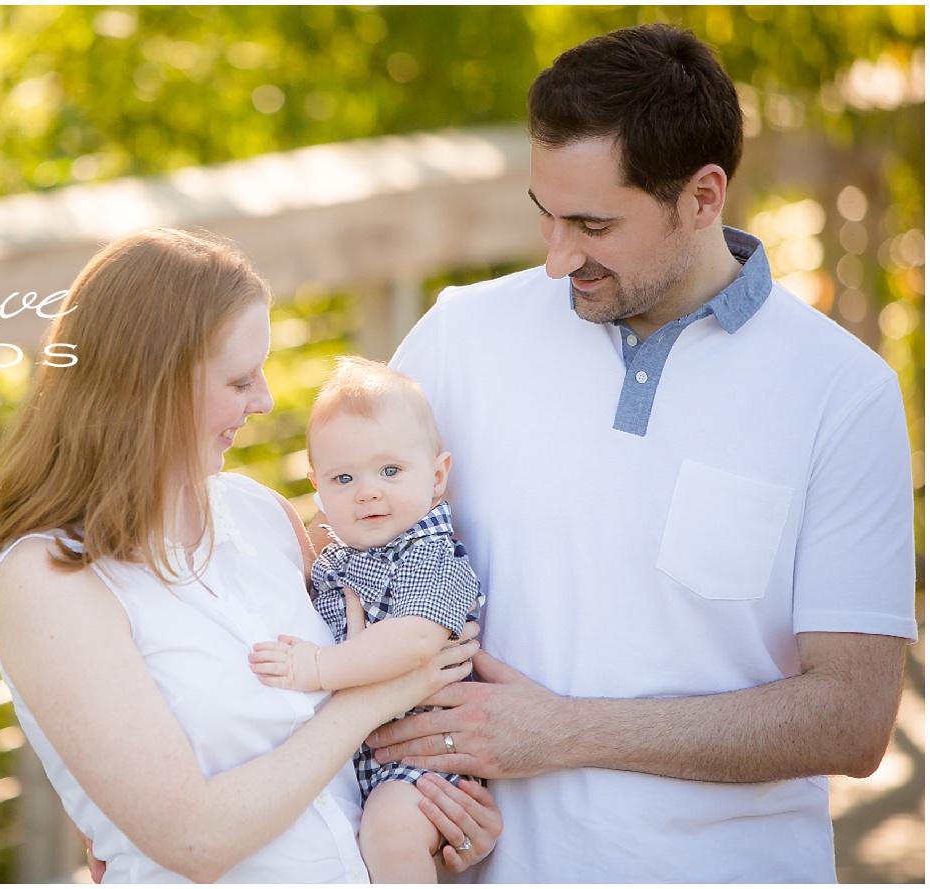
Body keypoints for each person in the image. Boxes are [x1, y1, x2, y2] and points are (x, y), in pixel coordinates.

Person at [355, 23, 916, 883]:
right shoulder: (460, 335)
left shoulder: (841, 393)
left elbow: (851, 715)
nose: (556, 259)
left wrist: (564, 730)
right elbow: (335, 562)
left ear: (702, 196)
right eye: (545, 215)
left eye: (592, 224)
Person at [0, 227, 503, 883]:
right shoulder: (49, 581)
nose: (262, 401)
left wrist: (442, 826)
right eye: (237, 379)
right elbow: (196, 838)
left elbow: (343, 770)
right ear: (150, 383)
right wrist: (372, 697)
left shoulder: (263, 515)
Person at [248, 356, 484, 883]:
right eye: (344, 477)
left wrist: (317, 668)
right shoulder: (332, 557)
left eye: (391, 471)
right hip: (355, 758)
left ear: (438, 474)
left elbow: (415, 641)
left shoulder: (428, 554)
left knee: (390, 839)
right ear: (317, 487)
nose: (368, 491)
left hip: (422, 754)